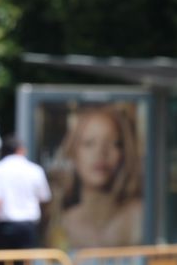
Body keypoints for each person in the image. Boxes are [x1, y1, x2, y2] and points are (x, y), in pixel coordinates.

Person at [51, 102, 144, 250]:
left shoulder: (140, 216)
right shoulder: (64, 224)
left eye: (114, 143)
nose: (100, 153)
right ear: (73, 152)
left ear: (125, 152)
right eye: (89, 143)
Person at [0, 134, 51, 253]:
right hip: (28, 225)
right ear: (21, 150)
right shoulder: (35, 170)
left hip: (5, 225)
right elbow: (44, 198)